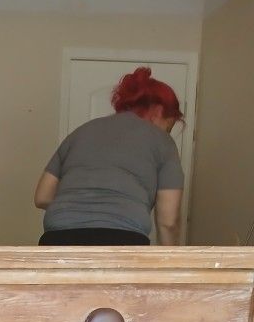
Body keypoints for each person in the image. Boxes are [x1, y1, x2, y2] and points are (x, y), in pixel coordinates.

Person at [34, 67, 184, 246]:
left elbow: (42, 196)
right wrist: (171, 260)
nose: (168, 132)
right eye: (169, 126)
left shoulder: (81, 133)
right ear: (158, 111)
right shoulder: (163, 141)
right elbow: (168, 222)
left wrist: (82, 206)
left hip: (58, 237)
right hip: (122, 239)